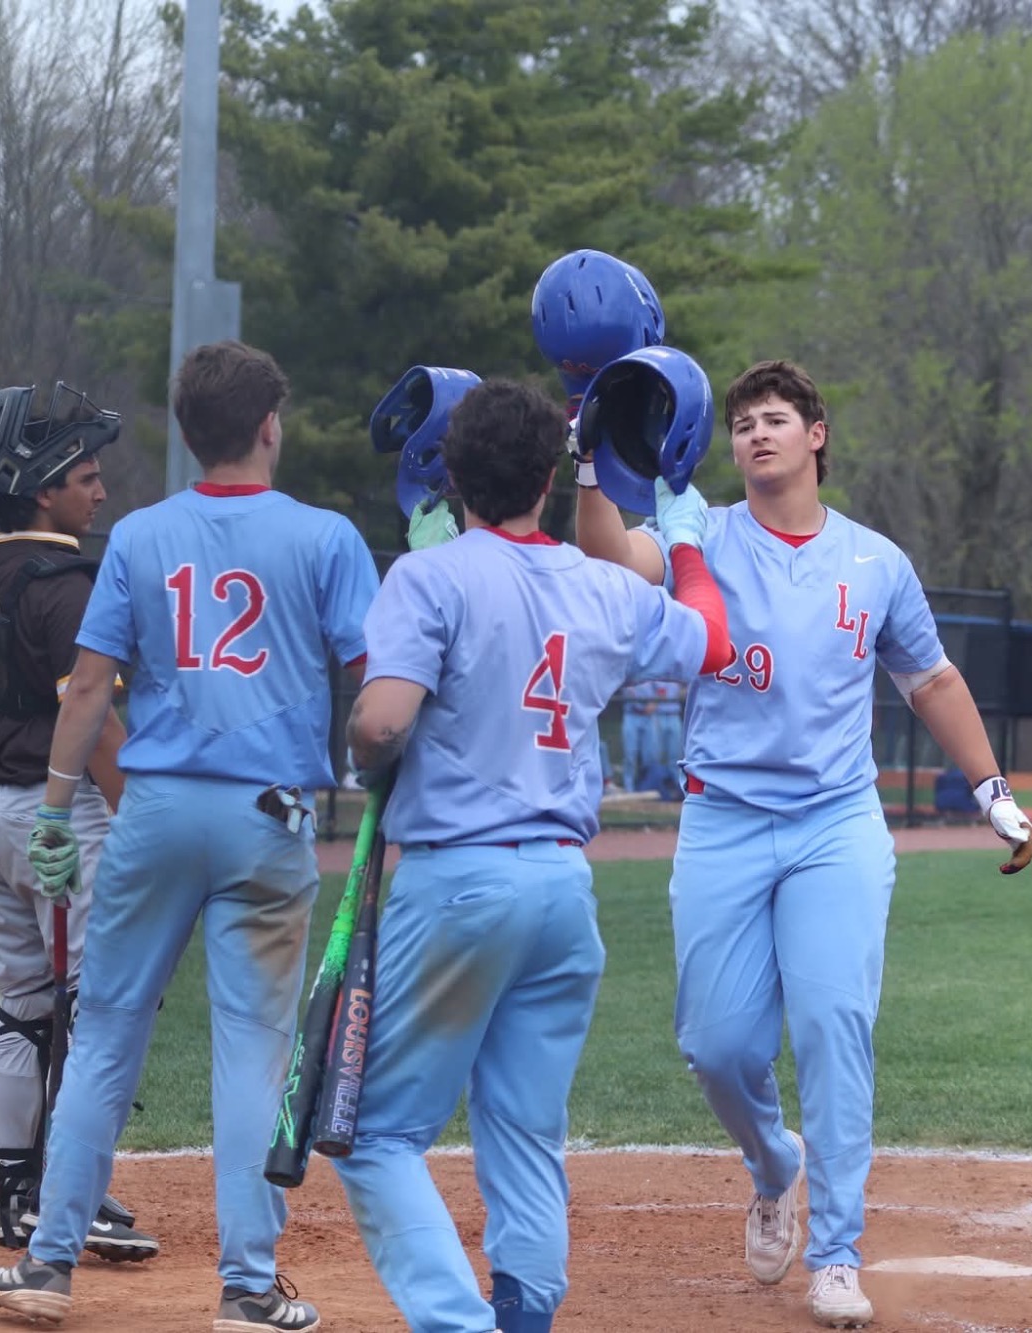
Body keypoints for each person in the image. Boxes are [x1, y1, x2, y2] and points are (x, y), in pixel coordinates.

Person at [575, 359, 1032, 1329]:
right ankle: (770, 1161)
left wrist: (991, 789)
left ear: (815, 434)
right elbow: (615, 561)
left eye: (775, 418)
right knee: (713, 1042)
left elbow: (932, 682)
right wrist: (586, 466)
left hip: (835, 824)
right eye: (741, 423)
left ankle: (835, 1253)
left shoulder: (874, 561)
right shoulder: (699, 534)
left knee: (833, 1028)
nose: (756, 434)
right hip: (723, 821)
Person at [0, 341, 380, 1331]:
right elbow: (377, 687)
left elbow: (87, 687)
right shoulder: (326, 537)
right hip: (269, 817)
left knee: (108, 1031)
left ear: (191, 433)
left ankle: (49, 1261)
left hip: (154, 807)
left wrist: (57, 805)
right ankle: (246, 1285)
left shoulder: (143, 536)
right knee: (250, 1051)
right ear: (268, 428)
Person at [331, 378, 735, 1333]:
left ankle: (460, 1324)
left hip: (459, 879)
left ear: (452, 473)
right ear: (550, 480)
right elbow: (709, 643)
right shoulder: (603, 585)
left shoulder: (428, 577)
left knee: (379, 1137)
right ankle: (525, 1314)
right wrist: (681, 541)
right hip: (561, 887)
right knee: (522, 1129)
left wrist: (366, 746)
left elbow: (382, 721)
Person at [0, 382, 158, 1263]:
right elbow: (95, 719)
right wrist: (145, 824)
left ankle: (20, 1190)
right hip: (56, 814)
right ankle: (76, 1195)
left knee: (24, 1003)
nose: (98, 492)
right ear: (41, 486)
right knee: (97, 1005)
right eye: (85, 475)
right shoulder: (65, 580)